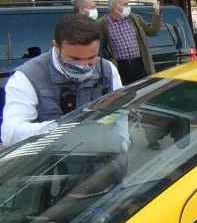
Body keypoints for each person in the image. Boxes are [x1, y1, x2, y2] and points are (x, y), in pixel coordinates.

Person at [1, 15, 122, 145]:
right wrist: (63, 127)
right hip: (53, 160)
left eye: (92, 57)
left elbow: (121, 115)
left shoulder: (107, 69)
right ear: (56, 47)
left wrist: (122, 146)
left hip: (104, 158)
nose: (84, 66)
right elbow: (10, 133)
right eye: (75, 59)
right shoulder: (26, 77)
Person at [99, 0, 161, 85]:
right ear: (115, 6)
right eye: (125, 4)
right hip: (120, 66)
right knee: (125, 94)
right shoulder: (103, 24)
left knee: (143, 90)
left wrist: (157, 14)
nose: (128, 7)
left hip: (139, 64)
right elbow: (100, 46)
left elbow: (152, 31)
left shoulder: (134, 18)